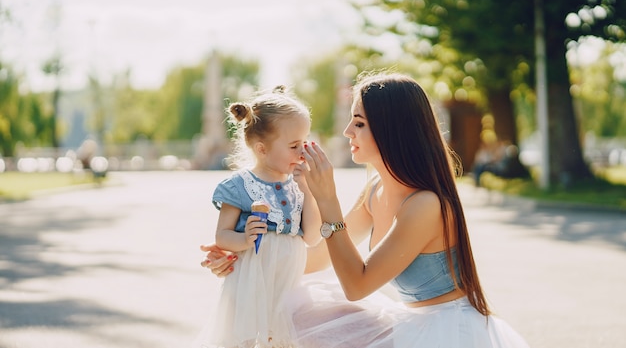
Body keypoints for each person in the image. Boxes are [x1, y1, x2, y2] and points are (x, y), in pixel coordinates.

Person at [202, 72, 530, 347]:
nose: (347, 132)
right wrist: (244, 259)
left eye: (358, 123)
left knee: (311, 313)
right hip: (410, 325)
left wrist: (327, 200)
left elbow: (357, 286)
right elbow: (313, 260)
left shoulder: (426, 205)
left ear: (391, 130)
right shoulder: (375, 190)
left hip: (447, 333)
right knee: (297, 307)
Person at [193, 86, 321, 348]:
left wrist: (308, 190)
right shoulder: (240, 185)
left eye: (304, 143)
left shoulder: (298, 184)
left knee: (283, 339)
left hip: (288, 282)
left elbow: (312, 236)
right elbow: (222, 236)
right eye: (294, 145)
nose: (302, 153)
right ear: (262, 149)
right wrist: (245, 238)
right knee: (245, 338)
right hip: (251, 280)